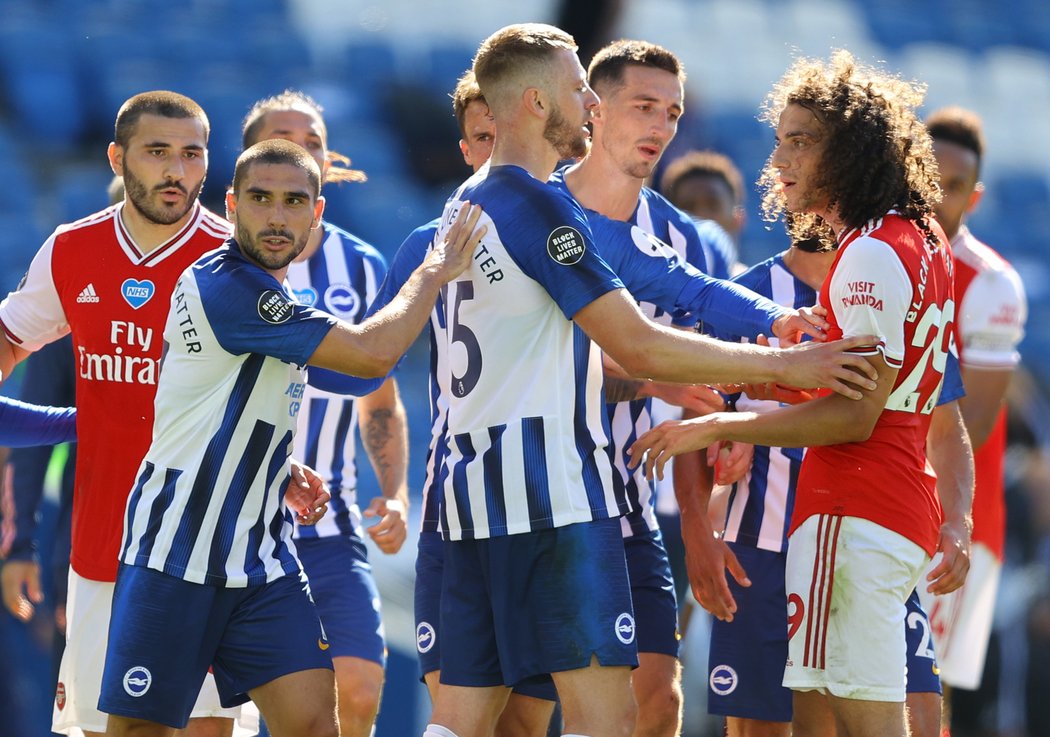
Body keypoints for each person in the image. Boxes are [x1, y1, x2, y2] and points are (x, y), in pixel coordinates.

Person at [422, 26, 879, 737]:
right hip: (557, 495)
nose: (590, 105)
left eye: (672, 108)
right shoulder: (547, 211)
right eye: (583, 91)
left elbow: (675, 280)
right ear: (546, 102)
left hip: (476, 494)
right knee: (603, 718)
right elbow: (638, 339)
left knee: (462, 721)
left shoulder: (464, 207)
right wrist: (779, 365)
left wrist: (774, 319)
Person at [627, 51, 970, 737]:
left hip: (856, 510)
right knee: (818, 711)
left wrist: (714, 429)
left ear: (847, 150)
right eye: (780, 137)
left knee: (873, 719)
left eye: (801, 140)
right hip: (867, 514)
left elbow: (853, 413)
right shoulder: (919, 237)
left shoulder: (871, 253)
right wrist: (752, 380)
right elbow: (856, 384)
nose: (779, 157)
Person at [97, 138, 485, 737]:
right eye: (260, 199)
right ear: (230, 205)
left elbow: (313, 385)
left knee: (313, 727)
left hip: (262, 560)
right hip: (176, 553)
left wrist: (276, 470)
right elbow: (369, 355)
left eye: (293, 201)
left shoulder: (276, 296)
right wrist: (432, 270)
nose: (277, 217)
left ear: (317, 213)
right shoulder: (230, 287)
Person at [550, 38, 798, 737]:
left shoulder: (679, 236)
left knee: (655, 700)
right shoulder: (538, 213)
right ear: (592, 110)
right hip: (538, 493)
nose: (660, 126)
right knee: (532, 708)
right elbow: (581, 357)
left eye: (672, 112)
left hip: (634, 493)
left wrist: (725, 427)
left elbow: (701, 311)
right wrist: (700, 385)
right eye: (643, 108)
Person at [0, 90, 246, 737]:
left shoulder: (238, 259)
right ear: (118, 157)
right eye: (157, 152)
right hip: (103, 545)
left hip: (209, 546)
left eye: (192, 154)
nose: (176, 170)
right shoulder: (71, 250)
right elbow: (11, 336)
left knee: (206, 729)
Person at [688, 236, 969, 737]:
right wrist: (700, 526)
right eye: (787, 152)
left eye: (805, 151)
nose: (789, 167)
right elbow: (698, 411)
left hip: (870, 531)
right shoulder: (745, 293)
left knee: (918, 714)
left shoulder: (902, 273)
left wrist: (959, 521)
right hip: (762, 548)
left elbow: (945, 427)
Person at [241, 89, 410, 737]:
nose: (300, 153)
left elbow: (381, 397)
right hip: (226, 521)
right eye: (281, 142)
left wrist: (393, 494)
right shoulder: (211, 261)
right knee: (214, 716)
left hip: (326, 522)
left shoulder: (360, 265)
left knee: (359, 686)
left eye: (312, 142)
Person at [917, 107, 1028, 711]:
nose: (936, 197)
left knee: (926, 698)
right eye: (928, 178)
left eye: (953, 186)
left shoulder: (990, 283)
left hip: (954, 525)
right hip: (880, 506)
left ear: (975, 197)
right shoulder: (876, 255)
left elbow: (975, 425)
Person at [659, 149, 747, 276]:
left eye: (713, 205)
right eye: (688, 207)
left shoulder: (761, 290)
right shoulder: (649, 291)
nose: (701, 216)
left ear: (738, 219)